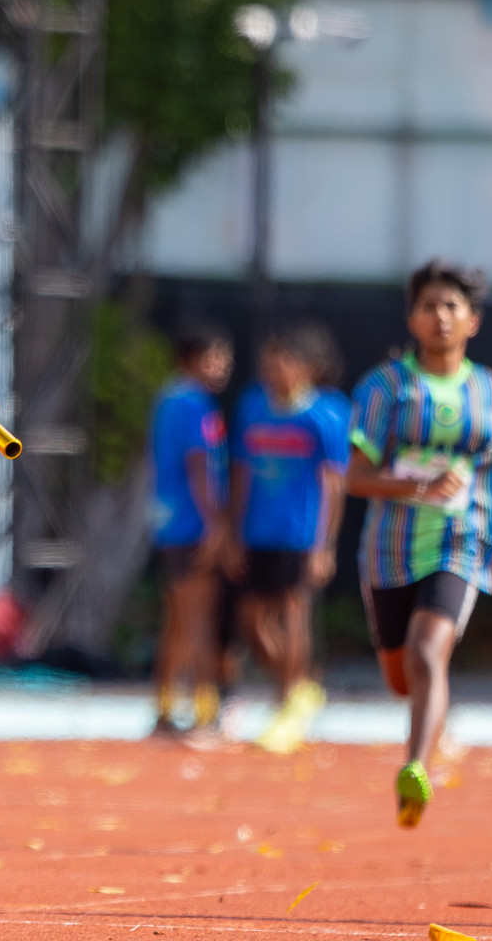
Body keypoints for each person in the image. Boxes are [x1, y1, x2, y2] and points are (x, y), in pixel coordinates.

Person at [346, 259, 492, 828]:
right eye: (427, 307)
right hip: (390, 547)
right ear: (411, 319)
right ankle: (431, 718)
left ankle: (415, 767)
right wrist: (417, 486)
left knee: (425, 653)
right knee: (401, 674)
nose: (439, 317)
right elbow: (356, 475)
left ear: (473, 321)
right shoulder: (384, 388)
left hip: (466, 539)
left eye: (451, 307)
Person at [224, 323, 348, 754]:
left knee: (294, 615)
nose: (273, 368)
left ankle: (286, 705)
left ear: (308, 367)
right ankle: (299, 690)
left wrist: (325, 546)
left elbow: (334, 485)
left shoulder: (326, 413)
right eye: (268, 360)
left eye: (284, 360)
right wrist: (233, 532)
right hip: (256, 532)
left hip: (299, 536)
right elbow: (240, 472)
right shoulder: (252, 405)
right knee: (251, 620)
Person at [147, 324, 233, 740]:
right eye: (215, 357)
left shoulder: (168, 398)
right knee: (199, 620)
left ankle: (165, 709)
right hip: (192, 525)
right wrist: (217, 525)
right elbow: (200, 467)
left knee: (178, 621)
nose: (223, 366)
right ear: (191, 359)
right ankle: (204, 711)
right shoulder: (196, 403)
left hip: (170, 523)